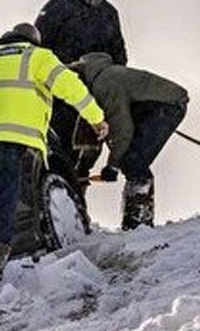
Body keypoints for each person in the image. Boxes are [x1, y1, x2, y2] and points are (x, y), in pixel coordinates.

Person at [0, 22, 108, 288]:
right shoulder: (37, 56)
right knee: (2, 214)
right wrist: (97, 119)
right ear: (33, 41)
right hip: (8, 145)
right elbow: (71, 87)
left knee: (5, 209)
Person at [36, 0, 128, 177]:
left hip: (94, 95)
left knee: (87, 155)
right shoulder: (57, 8)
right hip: (61, 95)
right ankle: (59, 202)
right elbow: (37, 51)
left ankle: (77, 202)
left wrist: (112, 88)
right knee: (59, 153)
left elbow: (119, 54)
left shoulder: (109, 14)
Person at [70, 52, 188, 230]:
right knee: (131, 159)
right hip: (156, 106)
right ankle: (137, 219)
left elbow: (121, 128)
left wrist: (112, 166)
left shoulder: (105, 84)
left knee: (133, 161)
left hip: (167, 106)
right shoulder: (101, 80)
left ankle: (138, 220)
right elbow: (103, 129)